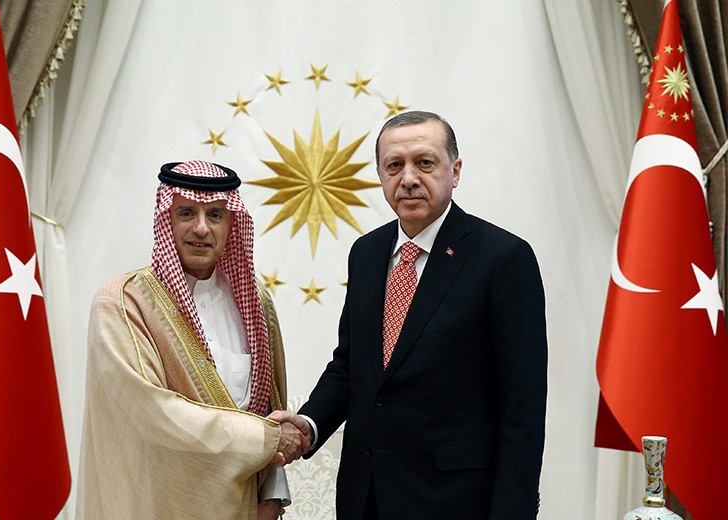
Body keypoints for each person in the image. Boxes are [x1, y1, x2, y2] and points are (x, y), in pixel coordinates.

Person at [271, 111, 548, 519]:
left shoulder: (503, 258)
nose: (409, 178)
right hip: (366, 498)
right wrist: (308, 425)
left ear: (455, 171)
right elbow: (352, 366)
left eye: (425, 163)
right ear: (380, 175)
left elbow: (522, 409)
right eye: (394, 165)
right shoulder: (366, 253)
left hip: (456, 503)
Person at [76, 160, 309, 519]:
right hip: (156, 504)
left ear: (232, 224)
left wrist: (273, 494)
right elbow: (153, 413)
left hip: (241, 507)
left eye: (215, 215)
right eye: (186, 213)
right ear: (166, 219)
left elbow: (269, 408)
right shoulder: (123, 302)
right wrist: (267, 439)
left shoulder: (256, 303)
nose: (201, 228)